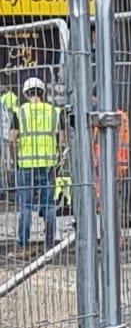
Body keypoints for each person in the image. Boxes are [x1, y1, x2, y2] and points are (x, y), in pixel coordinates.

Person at [10, 77, 62, 250]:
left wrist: (14, 158)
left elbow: (12, 139)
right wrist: (58, 158)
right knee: (49, 205)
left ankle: (22, 243)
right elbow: (62, 140)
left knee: (25, 206)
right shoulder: (54, 111)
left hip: (25, 166)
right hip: (48, 165)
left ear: (25, 94)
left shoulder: (20, 112)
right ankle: (49, 245)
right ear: (42, 93)